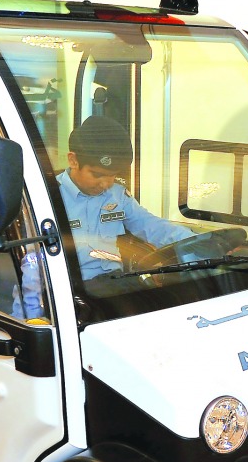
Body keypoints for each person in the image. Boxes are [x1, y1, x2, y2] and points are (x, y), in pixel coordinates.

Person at [13, 115, 192, 318]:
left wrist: (200, 243)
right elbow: (32, 262)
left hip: (116, 287)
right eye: (97, 175)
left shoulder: (117, 196)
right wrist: (31, 319)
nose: (106, 183)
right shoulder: (47, 199)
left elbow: (153, 227)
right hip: (73, 294)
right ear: (73, 160)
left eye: (112, 175)